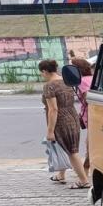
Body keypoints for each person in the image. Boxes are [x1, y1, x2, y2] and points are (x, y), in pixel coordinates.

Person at [39, 59, 90, 189]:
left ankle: (83, 180)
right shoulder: (66, 81)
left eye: (41, 73)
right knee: (64, 147)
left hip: (61, 121)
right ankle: (61, 175)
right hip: (73, 117)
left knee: (72, 151)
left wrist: (50, 131)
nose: (42, 75)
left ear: (45, 71)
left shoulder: (49, 86)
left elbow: (53, 109)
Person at [71, 57, 93, 172]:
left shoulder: (83, 81)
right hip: (93, 115)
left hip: (90, 115)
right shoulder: (92, 78)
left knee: (90, 143)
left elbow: (87, 98)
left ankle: (86, 168)